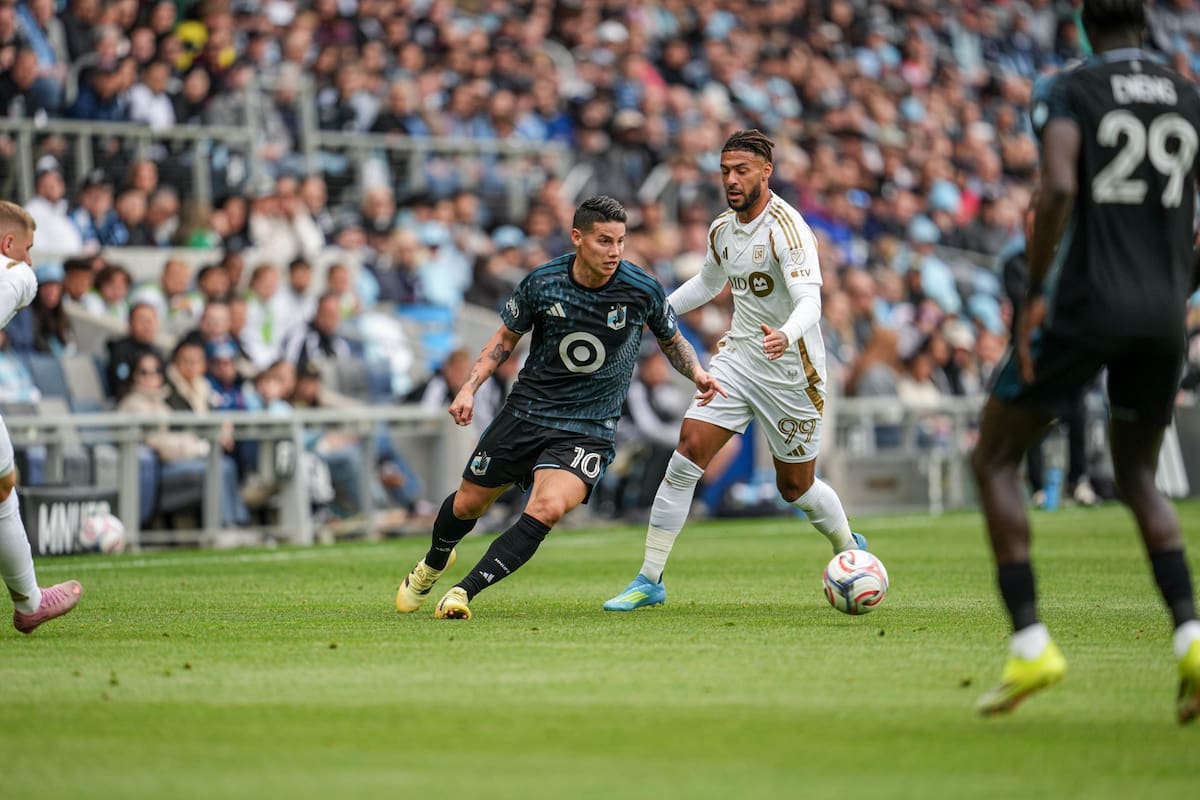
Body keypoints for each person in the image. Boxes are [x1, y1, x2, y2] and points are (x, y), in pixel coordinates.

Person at [971, 0, 1200, 723]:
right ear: (1146, 26)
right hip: (1163, 313)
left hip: (1086, 304)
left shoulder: (1070, 88)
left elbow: (1060, 187)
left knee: (994, 458)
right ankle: (1192, 638)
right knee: (1138, 476)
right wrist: (1178, 288)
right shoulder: (1188, 94)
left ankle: (1031, 644)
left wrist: (1036, 292)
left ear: (1081, 25)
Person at [395, 196, 724, 620]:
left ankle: (463, 592)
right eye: (604, 241)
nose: (614, 251)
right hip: (526, 413)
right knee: (467, 505)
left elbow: (672, 340)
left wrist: (696, 372)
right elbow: (504, 340)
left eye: (620, 241)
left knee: (547, 508)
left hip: (589, 427)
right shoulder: (543, 282)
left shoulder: (641, 288)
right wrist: (469, 388)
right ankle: (434, 562)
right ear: (577, 237)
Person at [602, 130, 866, 612]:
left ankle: (849, 548)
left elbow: (811, 302)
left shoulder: (788, 229)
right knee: (687, 451)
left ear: (766, 171)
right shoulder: (722, 228)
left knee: (796, 487)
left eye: (741, 170)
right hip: (739, 358)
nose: (731, 180)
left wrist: (785, 333)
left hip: (791, 371)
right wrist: (657, 311)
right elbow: (708, 283)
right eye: (725, 171)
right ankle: (649, 579)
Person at [0, 200, 81, 633]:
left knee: (3, 486)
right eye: (27, 248)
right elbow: (20, 278)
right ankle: (30, 602)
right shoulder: (18, 275)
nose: (30, 260)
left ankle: (30, 601)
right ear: (8, 243)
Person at [999, 196, 1098, 508]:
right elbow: (1026, 303)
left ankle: (1078, 480)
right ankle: (1038, 487)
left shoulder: (1067, 259)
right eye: (1031, 223)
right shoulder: (1015, 263)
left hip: (1062, 351)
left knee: (1078, 412)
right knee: (1031, 419)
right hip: (1028, 352)